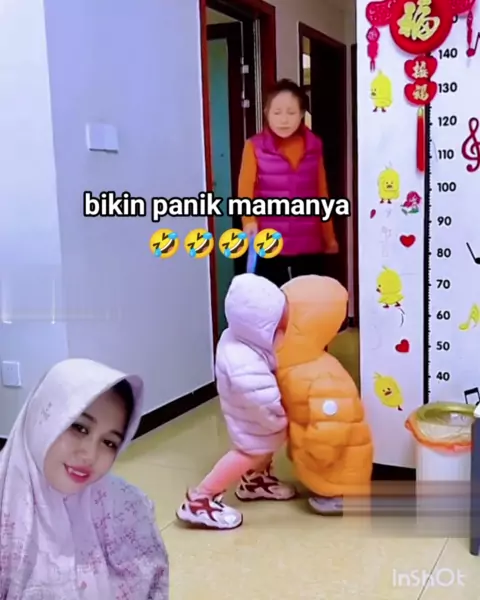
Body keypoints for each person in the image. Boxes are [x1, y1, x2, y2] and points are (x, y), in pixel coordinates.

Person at [0, 358, 168, 599]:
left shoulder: (131, 509)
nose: (90, 455)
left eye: (109, 442)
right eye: (79, 428)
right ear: (42, 417)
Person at [176, 273, 296, 530]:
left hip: (255, 414)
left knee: (264, 449)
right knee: (247, 453)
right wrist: (281, 419)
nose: (284, 329)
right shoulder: (242, 360)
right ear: (260, 326)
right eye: (279, 325)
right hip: (254, 416)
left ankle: (254, 481)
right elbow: (261, 397)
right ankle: (200, 500)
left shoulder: (244, 336)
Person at [275, 275, 373, 515]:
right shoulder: (299, 364)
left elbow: (333, 427)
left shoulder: (323, 377)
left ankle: (342, 493)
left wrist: (315, 455)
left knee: (331, 447)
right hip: (315, 451)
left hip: (336, 461)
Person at [239, 78, 339, 287]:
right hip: (270, 242)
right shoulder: (254, 146)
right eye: (277, 112)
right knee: (272, 299)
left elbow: (322, 193)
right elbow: (245, 189)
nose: (284, 120)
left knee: (308, 299)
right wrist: (248, 221)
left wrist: (329, 237)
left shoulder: (315, 145)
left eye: (291, 112)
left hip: (309, 242)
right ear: (266, 112)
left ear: (302, 114)